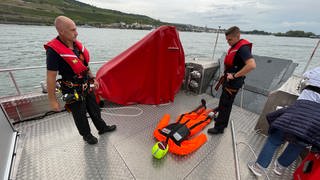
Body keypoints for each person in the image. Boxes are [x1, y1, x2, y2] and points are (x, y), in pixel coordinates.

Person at [45, 16, 116, 145]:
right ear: (61, 31)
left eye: (75, 29)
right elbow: (51, 77)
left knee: (95, 109)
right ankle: (86, 135)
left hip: (86, 85)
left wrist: (93, 78)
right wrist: (52, 100)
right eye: (72, 30)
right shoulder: (53, 51)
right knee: (79, 115)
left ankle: (102, 127)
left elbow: (84, 66)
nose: (76, 33)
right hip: (71, 89)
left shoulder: (76, 46)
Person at [247, 66, 320, 177]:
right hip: (316, 120)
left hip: (301, 110)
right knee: (299, 143)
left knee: (275, 139)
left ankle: (259, 167)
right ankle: (280, 167)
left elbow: (306, 75)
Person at [208, 26, 256, 134]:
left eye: (230, 39)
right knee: (224, 102)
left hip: (233, 82)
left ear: (237, 36)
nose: (228, 42)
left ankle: (219, 128)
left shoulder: (243, 48)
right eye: (227, 40)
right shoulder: (235, 46)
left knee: (226, 104)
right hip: (228, 80)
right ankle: (222, 120)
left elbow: (252, 65)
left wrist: (235, 76)